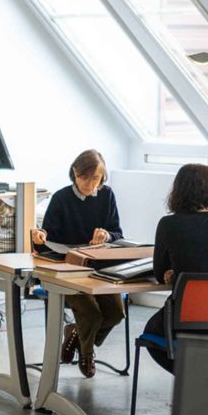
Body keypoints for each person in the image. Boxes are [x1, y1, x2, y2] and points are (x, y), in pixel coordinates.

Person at [31, 149, 126, 377]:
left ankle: (75, 333)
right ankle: (87, 353)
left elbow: (117, 233)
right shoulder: (61, 198)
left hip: (98, 267)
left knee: (116, 313)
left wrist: (106, 235)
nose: (91, 184)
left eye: (97, 179)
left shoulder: (107, 195)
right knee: (91, 314)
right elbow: (47, 238)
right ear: (75, 172)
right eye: (86, 178)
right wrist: (40, 236)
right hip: (67, 269)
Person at [140, 163, 208, 374]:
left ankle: (193, 379)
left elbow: (159, 273)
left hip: (185, 321)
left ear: (178, 191)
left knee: (151, 332)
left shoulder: (169, 224)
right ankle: (205, 380)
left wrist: (176, 274)